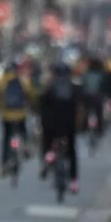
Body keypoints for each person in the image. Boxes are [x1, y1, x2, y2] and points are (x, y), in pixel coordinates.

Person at [40, 62, 81, 193]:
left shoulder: (49, 87)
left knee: (46, 139)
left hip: (52, 125)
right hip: (69, 125)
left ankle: (48, 154)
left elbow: (41, 105)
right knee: (72, 152)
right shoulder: (74, 88)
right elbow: (80, 106)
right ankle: (74, 181)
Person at [0, 61, 36, 176]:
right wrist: (32, 106)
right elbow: (31, 95)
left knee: (6, 139)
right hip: (20, 114)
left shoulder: (1, 81)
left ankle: (3, 166)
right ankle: (26, 147)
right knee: (23, 131)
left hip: (6, 115)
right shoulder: (23, 80)